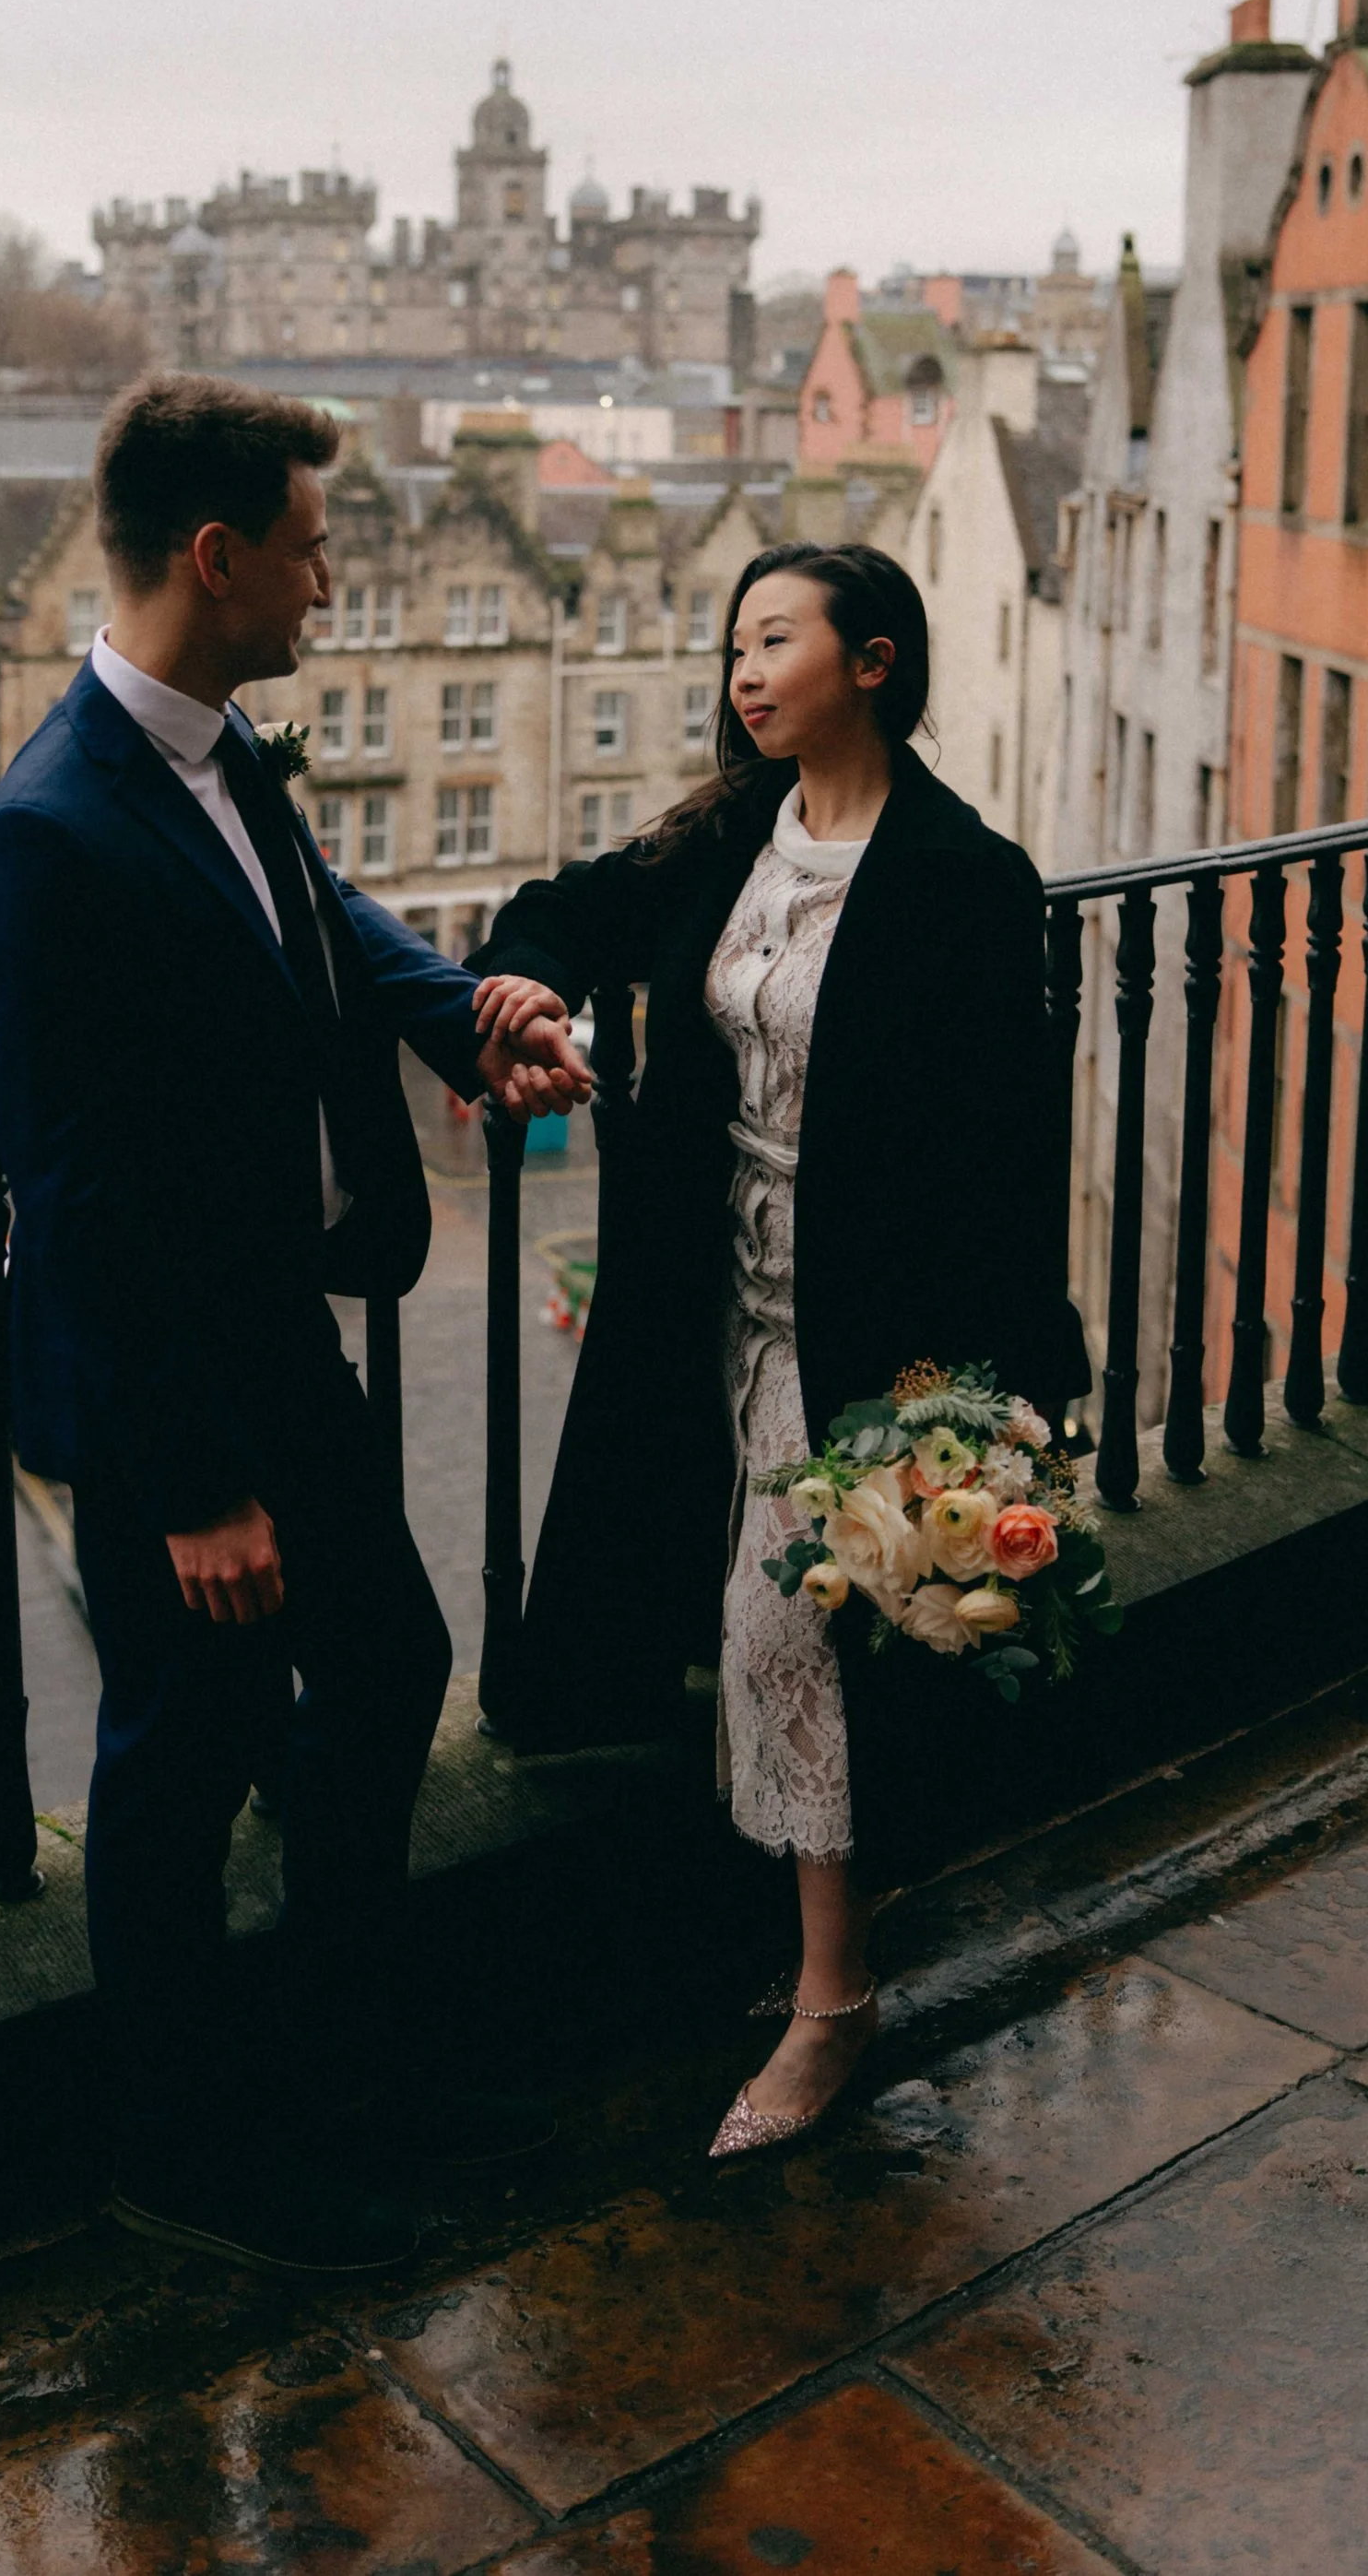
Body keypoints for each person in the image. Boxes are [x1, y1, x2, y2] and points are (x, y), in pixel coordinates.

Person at [0, 372, 588, 2276]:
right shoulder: (47, 835)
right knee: (179, 1761)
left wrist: (463, 1005)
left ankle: (342, 2070)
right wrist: (195, 1487)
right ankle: (180, 2154)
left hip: (275, 1350)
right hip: (181, 1406)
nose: (329, 585)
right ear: (215, 557)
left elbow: (315, 912)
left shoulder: (216, 755)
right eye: (308, 555)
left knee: (385, 1668)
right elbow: (72, 1200)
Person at [472, 543, 1088, 2160]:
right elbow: (563, 907)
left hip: (870, 1328)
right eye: (734, 643)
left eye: (776, 640)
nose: (745, 672)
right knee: (755, 1630)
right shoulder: (730, 831)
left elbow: (1013, 1143)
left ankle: (832, 1997)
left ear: (872, 661)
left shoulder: (966, 874)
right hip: (716, 1297)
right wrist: (520, 984)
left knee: (786, 1632)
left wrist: (1023, 1377)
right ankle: (817, 1943)